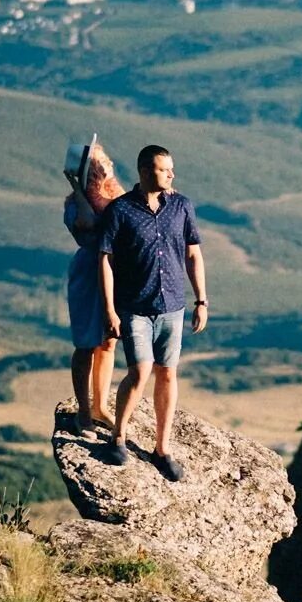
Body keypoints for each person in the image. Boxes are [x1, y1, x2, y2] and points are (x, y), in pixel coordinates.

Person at [97, 144, 208, 481]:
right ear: (146, 171)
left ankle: (162, 449)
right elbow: (105, 260)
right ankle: (119, 438)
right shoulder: (120, 211)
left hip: (173, 306)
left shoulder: (182, 206)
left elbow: (193, 255)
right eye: (164, 168)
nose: (172, 174)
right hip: (135, 308)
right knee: (140, 371)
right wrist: (110, 310)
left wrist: (202, 300)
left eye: (171, 169)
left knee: (168, 373)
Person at [63, 140, 122, 433]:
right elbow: (88, 224)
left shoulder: (115, 197)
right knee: (86, 343)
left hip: (115, 273)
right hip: (89, 275)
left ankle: (100, 405)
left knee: (108, 341)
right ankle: (84, 411)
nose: (108, 166)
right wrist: (76, 187)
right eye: (100, 164)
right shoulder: (75, 206)